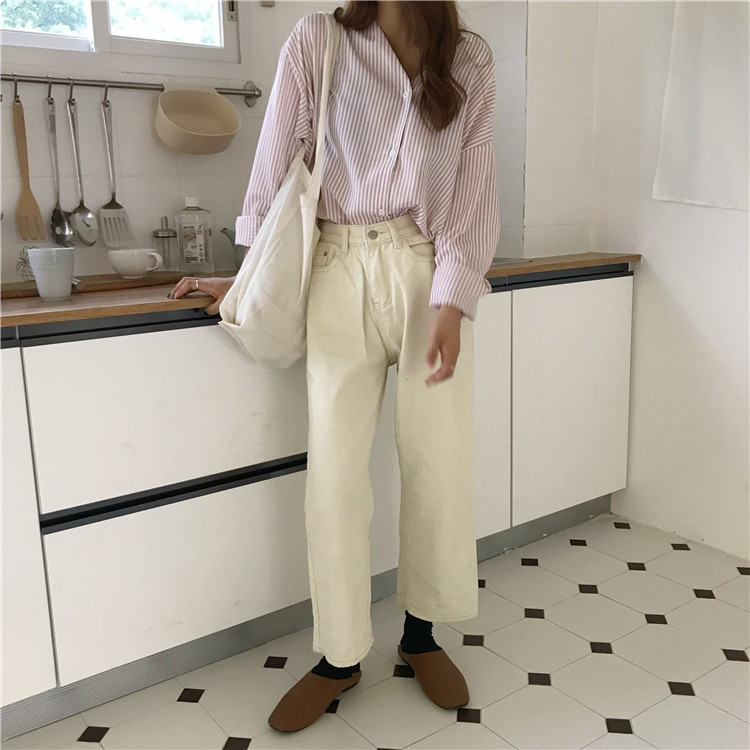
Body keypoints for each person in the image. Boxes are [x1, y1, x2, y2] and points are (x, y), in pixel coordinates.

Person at [169, 0, 499, 733]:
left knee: (438, 463)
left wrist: (452, 299)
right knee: (336, 481)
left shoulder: (469, 57)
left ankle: (421, 637)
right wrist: (248, 274)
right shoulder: (318, 40)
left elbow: (473, 187)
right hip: (335, 267)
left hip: (427, 270)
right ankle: (340, 655)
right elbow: (274, 166)